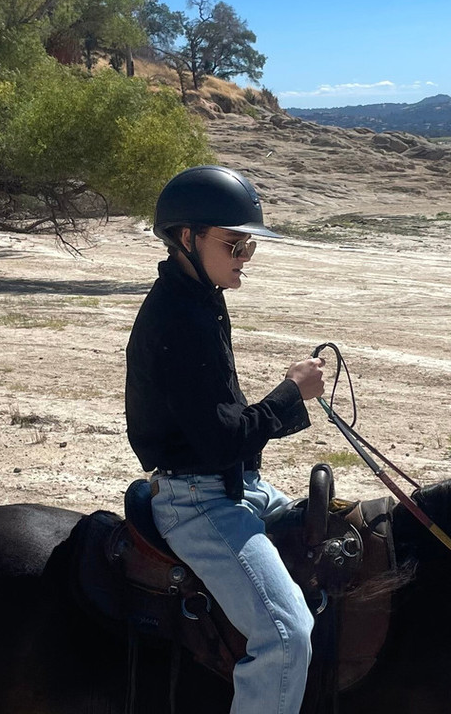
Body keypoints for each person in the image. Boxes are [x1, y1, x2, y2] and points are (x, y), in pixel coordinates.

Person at [125, 164, 325, 714]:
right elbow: (220, 441)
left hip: (236, 485)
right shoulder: (180, 320)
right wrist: (292, 392)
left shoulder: (197, 297)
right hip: (199, 501)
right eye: (233, 245)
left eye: (249, 247)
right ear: (186, 238)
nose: (244, 259)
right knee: (287, 636)